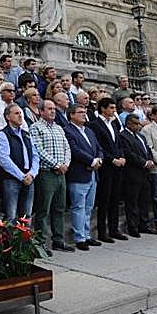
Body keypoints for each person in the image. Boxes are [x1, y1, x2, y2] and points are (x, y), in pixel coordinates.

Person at [30, 100, 72, 256]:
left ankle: (59, 240)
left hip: (61, 173)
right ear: (41, 111)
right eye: (49, 109)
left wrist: (65, 164)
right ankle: (40, 243)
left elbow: (67, 147)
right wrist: (56, 164)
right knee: (43, 210)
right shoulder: (35, 127)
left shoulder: (59, 128)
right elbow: (38, 150)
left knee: (59, 208)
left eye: (54, 109)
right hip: (46, 173)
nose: (53, 111)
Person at [64, 104, 103, 251]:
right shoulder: (67, 130)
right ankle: (79, 238)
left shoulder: (89, 131)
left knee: (88, 207)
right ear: (71, 115)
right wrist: (91, 161)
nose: (84, 114)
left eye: (84, 112)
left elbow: (98, 148)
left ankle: (86, 235)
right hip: (78, 174)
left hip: (93, 174)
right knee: (78, 206)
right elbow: (74, 150)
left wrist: (99, 159)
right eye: (80, 112)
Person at [88, 97, 127, 242]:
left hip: (118, 166)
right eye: (111, 108)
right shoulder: (95, 125)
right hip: (106, 167)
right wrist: (112, 159)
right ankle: (102, 232)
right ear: (103, 108)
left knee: (115, 198)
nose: (113, 110)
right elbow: (100, 147)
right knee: (104, 199)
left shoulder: (115, 124)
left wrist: (122, 157)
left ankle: (114, 229)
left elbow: (119, 143)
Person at [0, 103, 40, 222]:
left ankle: (25, 241)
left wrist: (32, 174)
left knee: (27, 215)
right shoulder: (2, 135)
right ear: (8, 117)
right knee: (11, 216)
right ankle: (11, 241)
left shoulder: (26, 134)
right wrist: (21, 176)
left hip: (29, 177)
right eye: (16, 113)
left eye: (21, 113)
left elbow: (35, 155)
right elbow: (4, 160)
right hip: (12, 179)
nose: (20, 116)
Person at [120, 114, 157, 237]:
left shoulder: (141, 136)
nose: (138, 126)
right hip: (132, 173)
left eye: (138, 123)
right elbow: (129, 153)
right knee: (132, 202)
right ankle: (133, 226)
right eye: (135, 123)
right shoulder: (123, 136)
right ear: (128, 124)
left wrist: (150, 160)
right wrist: (144, 162)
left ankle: (144, 224)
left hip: (145, 174)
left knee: (144, 200)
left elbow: (148, 150)